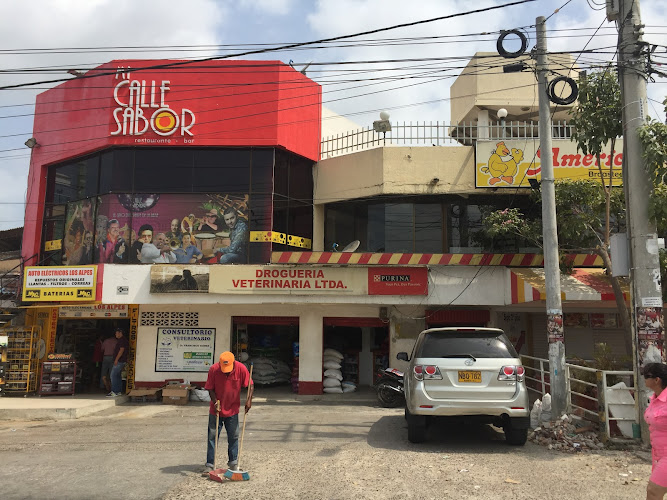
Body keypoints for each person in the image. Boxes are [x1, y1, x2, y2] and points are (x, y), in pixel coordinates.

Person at [203, 352, 253, 473]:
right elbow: (210, 388)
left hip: (233, 409)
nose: (226, 372)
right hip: (216, 410)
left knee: (233, 436)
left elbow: (250, 385)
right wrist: (215, 402)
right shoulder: (214, 369)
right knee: (212, 437)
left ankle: (233, 463)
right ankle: (210, 464)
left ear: (233, 363)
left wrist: (249, 400)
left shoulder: (241, 368)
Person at [644, 362, 667, 500]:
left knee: (653, 491)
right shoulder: (654, 399)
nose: (644, 379)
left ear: (657, 380)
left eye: (647, 376)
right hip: (658, 454)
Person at [108, 327, 129, 397]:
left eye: (116, 333)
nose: (115, 334)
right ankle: (118, 391)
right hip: (122, 360)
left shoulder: (122, 340)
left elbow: (121, 350)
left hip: (120, 361)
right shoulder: (123, 340)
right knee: (118, 376)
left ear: (120, 333)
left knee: (113, 375)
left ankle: (114, 391)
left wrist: (116, 359)